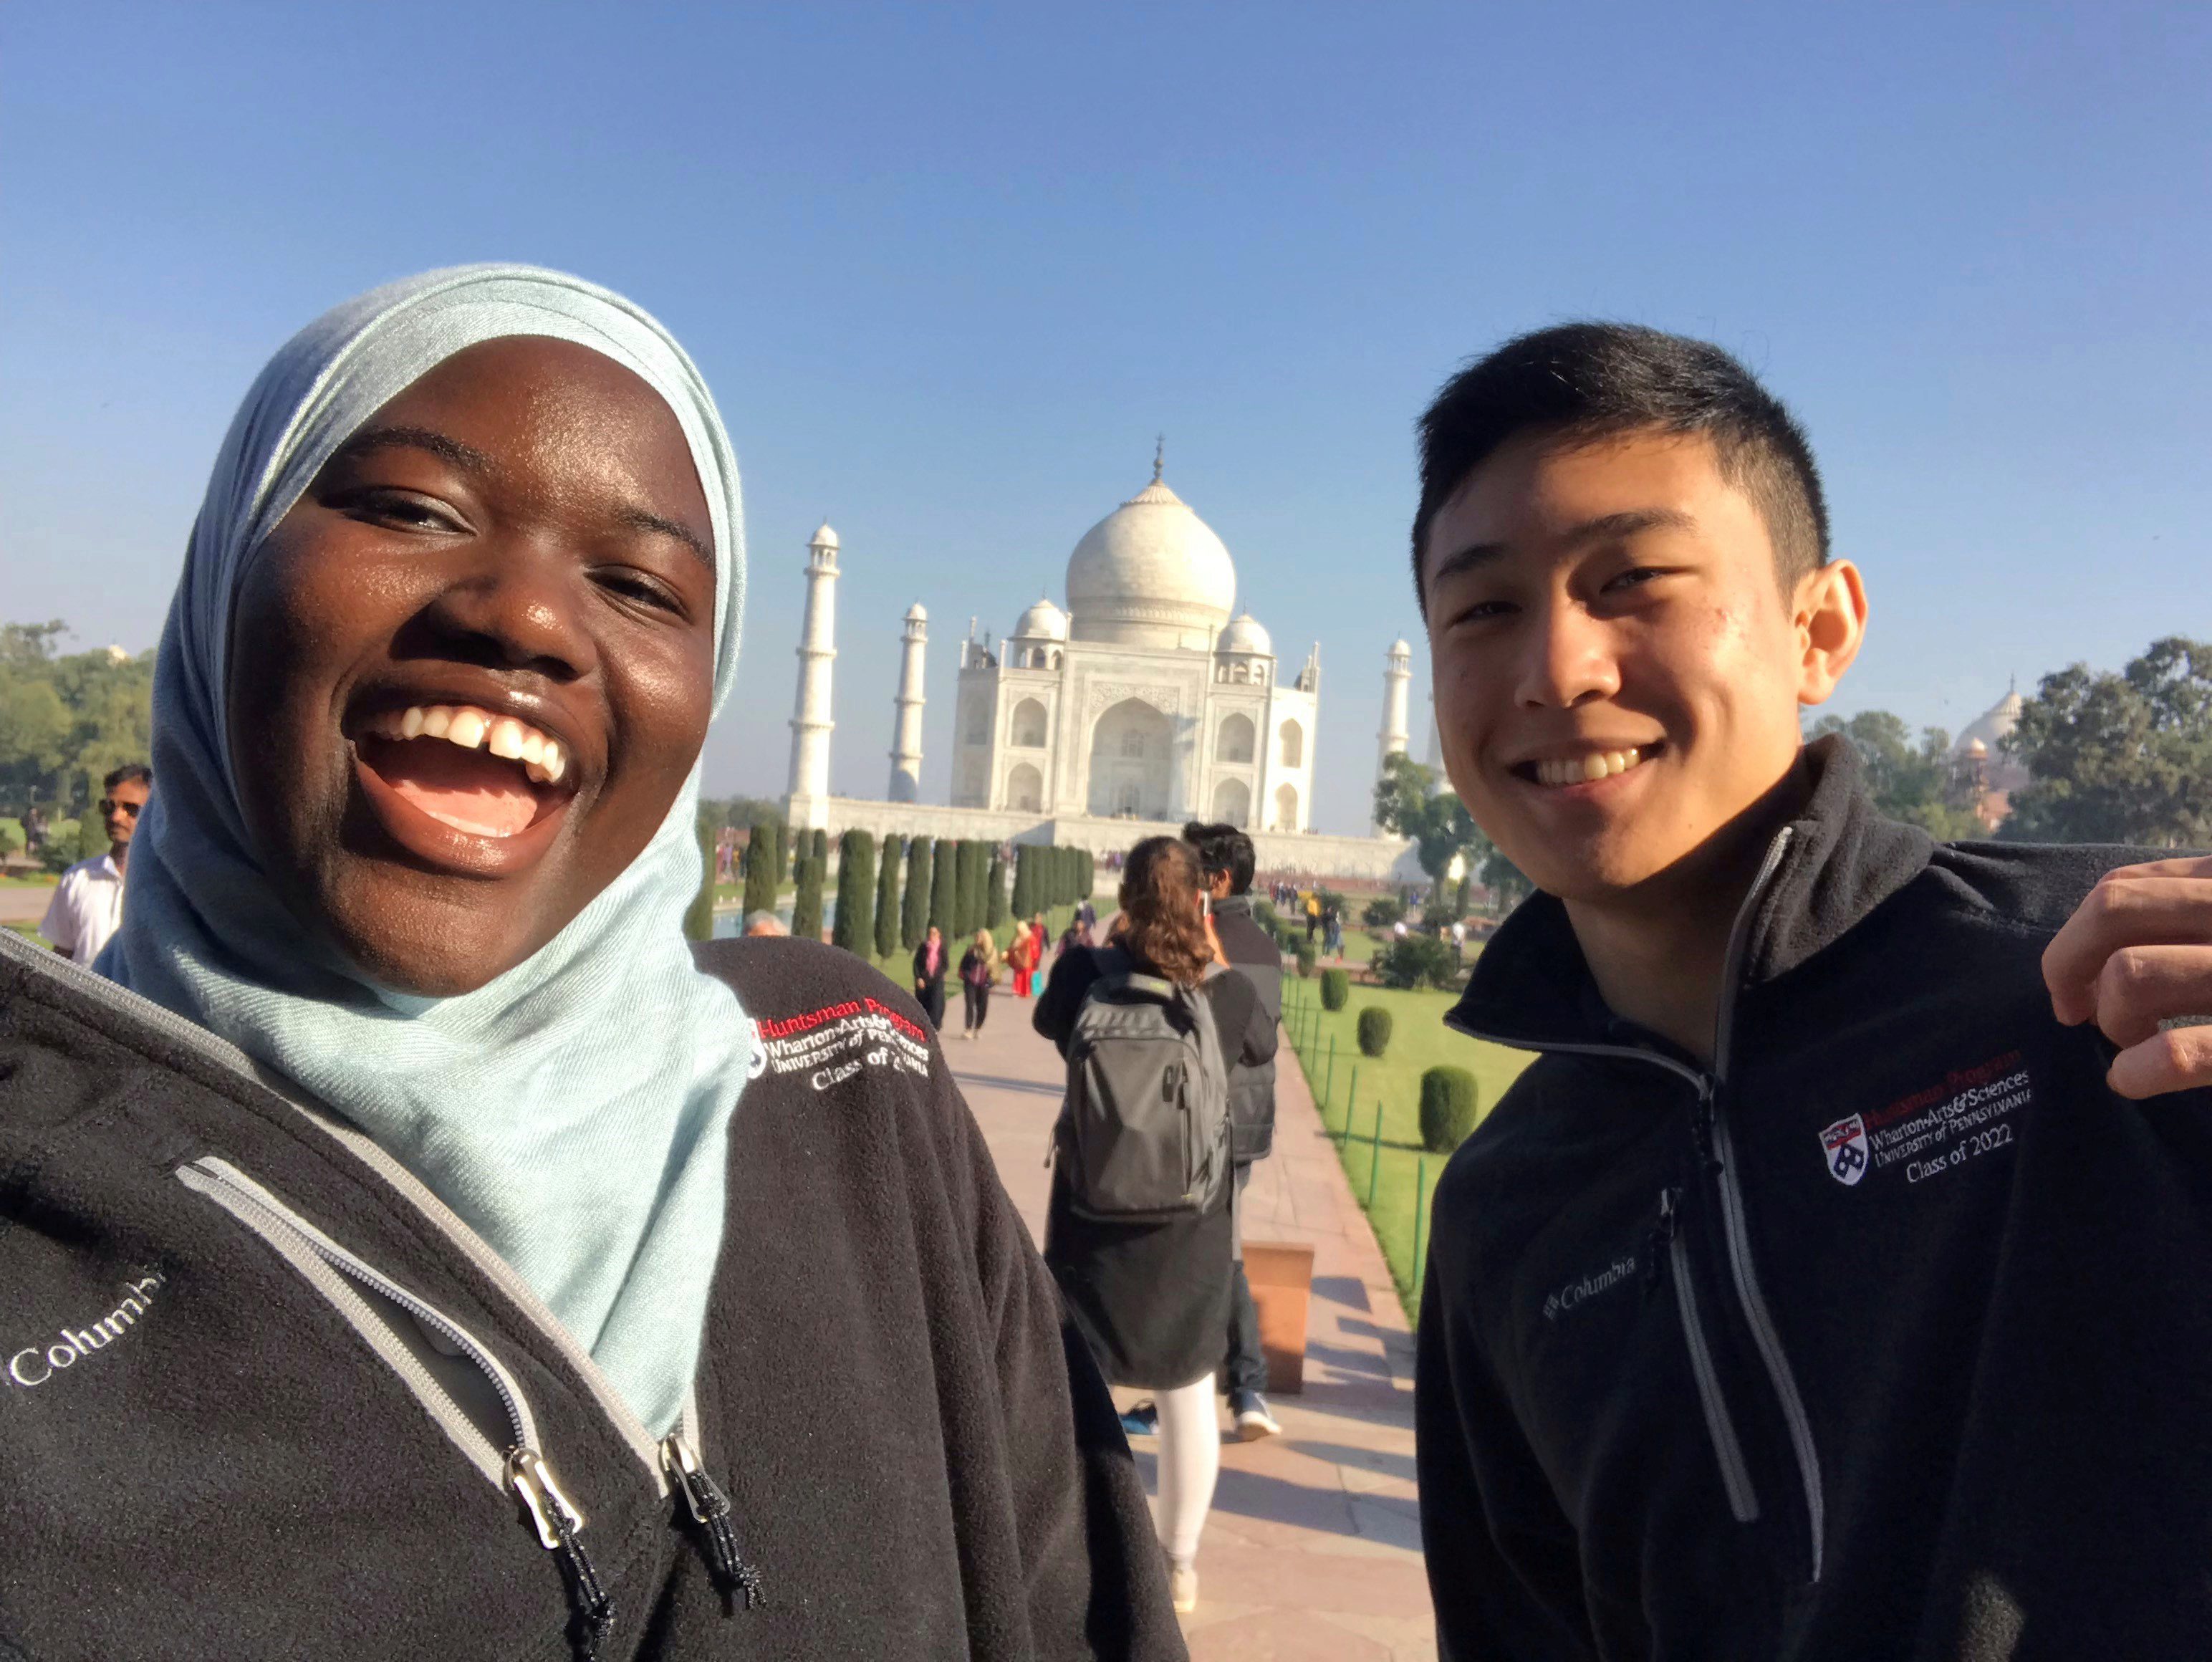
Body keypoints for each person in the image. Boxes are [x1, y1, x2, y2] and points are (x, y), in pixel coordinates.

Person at [0, 265, 1181, 1661]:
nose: (529, 619)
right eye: (408, 507)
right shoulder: (44, 1265)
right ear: (221, 573)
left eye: (638, 582)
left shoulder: (849, 1082)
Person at [1409, 321, 2212, 1660]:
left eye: (1633, 580)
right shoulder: (1509, 1213)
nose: (1558, 670)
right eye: (1484, 608)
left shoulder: (2100, 986)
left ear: (1816, 628)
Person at [1034, 835, 1276, 1618]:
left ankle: (1078, 1553)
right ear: (1200, 901)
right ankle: (1176, 1564)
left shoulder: (1083, 975)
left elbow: (1047, 1021)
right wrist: (1210, 956)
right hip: (1189, 1229)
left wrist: (1108, 947)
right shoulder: (1224, 997)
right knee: (1186, 1398)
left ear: (1127, 898)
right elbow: (1262, 1041)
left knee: (1078, 1392)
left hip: (1090, 1222)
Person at [1180, 820, 1285, 1440]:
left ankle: (1243, 1384)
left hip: (1209, 1121)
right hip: (1242, 1122)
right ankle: (1228, 1389)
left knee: (1213, 1252)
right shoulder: (1263, 945)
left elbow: (1252, 1043)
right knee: (1216, 1247)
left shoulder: (1218, 941)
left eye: (1193, 868)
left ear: (1218, 880)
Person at [39, 762, 150, 966]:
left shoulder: (170, 886)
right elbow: (60, 957)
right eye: (109, 807)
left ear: (154, 813)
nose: (117, 817)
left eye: (131, 809)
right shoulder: (78, 879)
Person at [958, 926, 998, 1039]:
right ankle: (968, 1029)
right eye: (977, 936)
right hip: (971, 982)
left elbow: (995, 969)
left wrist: (991, 981)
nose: (977, 938)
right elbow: (963, 964)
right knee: (970, 1005)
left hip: (984, 983)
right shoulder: (971, 950)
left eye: (979, 937)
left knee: (983, 1007)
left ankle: (977, 1028)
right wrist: (966, 975)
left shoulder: (992, 952)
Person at [911, 921, 948, 1029]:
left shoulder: (942, 948)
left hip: (937, 980)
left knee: (936, 1004)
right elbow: (916, 963)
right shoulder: (923, 947)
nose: (932, 936)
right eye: (930, 933)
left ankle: (934, 1027)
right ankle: (924, 1026)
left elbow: (946, 965)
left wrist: (939, 975)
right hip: (924, 981)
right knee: (923, 1004)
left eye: (934, 933)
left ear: (939, 935)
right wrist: (919, 978)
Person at [1007, 918, 1037, 999]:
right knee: (1018, 976)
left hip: (1027, 960)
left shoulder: (1030, 937)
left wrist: (1034, 958)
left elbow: (1034, 949)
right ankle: (1017, 990)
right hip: (1019, 960)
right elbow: (1012, 947)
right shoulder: (1017, 938)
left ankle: (1026, 991)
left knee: (1027, 976)